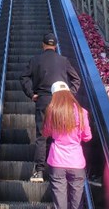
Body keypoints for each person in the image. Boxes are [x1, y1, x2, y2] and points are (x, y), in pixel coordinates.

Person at [20, 32, 81, 182]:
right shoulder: (63, 60)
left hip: (42, 100)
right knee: (60, 134)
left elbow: (24, 76)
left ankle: (39, 171)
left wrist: (31, 94)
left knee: (42, 137)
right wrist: (68, 95)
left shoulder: (35, 60)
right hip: (60, 102)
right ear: (56, 46)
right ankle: (58, 170)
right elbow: (76, 79)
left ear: (43, 44)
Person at [43, 81, 92, 209]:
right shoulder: (81, 112)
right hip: (76, 161)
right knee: (77, 201)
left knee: (59, 201)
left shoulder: (52, 112)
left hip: (57, 161)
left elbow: (46, 133)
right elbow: (87, 137)